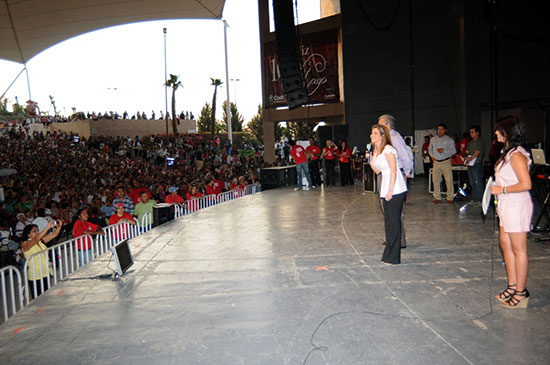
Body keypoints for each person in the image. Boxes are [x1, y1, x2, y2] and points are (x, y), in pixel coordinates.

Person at [490, 116, 533, 308]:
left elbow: (526, 184)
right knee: (506, 245)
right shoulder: (507, 153)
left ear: (508, 132)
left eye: (499, 130)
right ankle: (512, 284)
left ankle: (521, 292)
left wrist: (502, 190)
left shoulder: (516, 155)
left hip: (517, 205)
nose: (496, 133)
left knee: (518, 249)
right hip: (505, 205)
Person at [368, 124, 407, 265]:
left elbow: (394, 170)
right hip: (386, 187)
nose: (372, 135)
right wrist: (371, 161)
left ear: (382, 136)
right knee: (388, 223)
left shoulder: (388, 149)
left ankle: (394, 257)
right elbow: (378, 171)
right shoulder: (377, 151)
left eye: (375, 133)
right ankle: (389, 254)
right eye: (371, 133)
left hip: (395, 187)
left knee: (394, 223)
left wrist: (391, 189)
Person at [378, 114, 412, 248]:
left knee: (396, 210)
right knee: (387, 209)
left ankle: (400, 240)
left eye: (380, 125)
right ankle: (392, 237)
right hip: (384, 175)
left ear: (387, 125)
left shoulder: (395, 138)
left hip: (395, 175)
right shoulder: (385, 138)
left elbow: (406, 157)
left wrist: (407, 172)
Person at [21, 220, 63, 298]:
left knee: (45, 296)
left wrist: (59, 226)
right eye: (34, 231)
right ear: (28, 235)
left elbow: (54, 234)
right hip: (35, 275)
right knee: (37, 298)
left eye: (37, 230)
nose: (37, 232)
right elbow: (35, 239)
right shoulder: (25, 244)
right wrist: (48, 227)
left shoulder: (40, 242)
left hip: (44, 272)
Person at [429, 123, 456, 203]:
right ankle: (437, 197)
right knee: (435, 180)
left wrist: (444, 150)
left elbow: (453, 151)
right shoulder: (433, 139)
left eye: (441, 129)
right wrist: (432, 156)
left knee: (448, 180)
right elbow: (430, 149)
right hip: (436, 162)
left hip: (446, 162)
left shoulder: (450, 140)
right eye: (438, 129)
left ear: (445, 130)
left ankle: (450, 197)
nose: (439, 131)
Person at [464, 125, 485, 204]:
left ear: (477, 133)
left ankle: (480, 200)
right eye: (470, 132)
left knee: (477, 182)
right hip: (470, 164)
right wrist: (466, 158)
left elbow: (476, 153)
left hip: (476, 164)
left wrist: (469, 159)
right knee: (472, 182)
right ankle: (474, 198)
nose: (471, 134)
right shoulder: (470, 142)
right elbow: (467, 152)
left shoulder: (480, 141)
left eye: (473, 132)